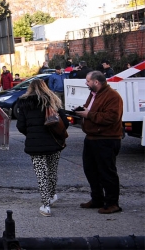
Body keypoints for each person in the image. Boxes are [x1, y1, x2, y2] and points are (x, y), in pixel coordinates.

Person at [16, 79, 69, 217]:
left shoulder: (24, 104)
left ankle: (46, 205)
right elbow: (65, 122)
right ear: (45, 88)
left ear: (30, 89)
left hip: (35, 145)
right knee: (52, 171)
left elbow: (20, 126)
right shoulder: (53, 101)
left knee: (41, 174)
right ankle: (52, 196)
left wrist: (32, 133)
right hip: (54, 143)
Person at [75, 71, 123, 214]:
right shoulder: (94, 94)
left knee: (107, 172)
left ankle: (112, 203)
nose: (86, 83)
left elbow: (111, 117)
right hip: (92, 138)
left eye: (88, 81)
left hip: (107, 139)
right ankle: (97, 199)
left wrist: (88, 114)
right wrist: (81, 111)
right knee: (91, 171)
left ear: (96, 82)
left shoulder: (113, 96)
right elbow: (91, 110)